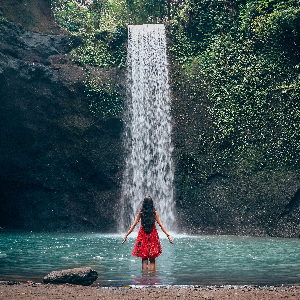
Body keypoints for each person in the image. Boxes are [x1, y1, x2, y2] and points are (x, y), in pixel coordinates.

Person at [122, 195, 174, 271]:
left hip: (143, 236)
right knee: (152, 259)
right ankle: (153, 279)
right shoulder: (154, 213)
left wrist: (126, 235)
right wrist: (168, 236)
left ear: (144, 204)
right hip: (153, 236)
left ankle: (144, 279)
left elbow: (133, 225)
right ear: (151, 204)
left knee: (144, 258)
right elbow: (161, 225)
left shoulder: (141, 212)